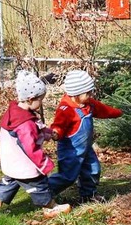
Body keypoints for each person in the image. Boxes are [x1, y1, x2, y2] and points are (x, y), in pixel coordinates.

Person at [0, 70, 71, 219]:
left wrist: (48, 133)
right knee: (39, 186)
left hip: (11, 163)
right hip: (24, 165)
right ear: (30, 99)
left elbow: (33, 130)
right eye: (40, 99)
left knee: (7, 185)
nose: (41, 102)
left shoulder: (15, 113)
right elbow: (30, 146)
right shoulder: (25, 123)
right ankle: (50, 207)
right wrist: (43, 164)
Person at [48, 70, 123, 203]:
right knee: (68, 176)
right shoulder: (66, 109)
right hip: (70, 150)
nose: (90, 95)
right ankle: (44, 192)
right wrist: (56, 133)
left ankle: (88, 195)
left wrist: (117, 113)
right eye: (87, 93)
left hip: (86, 148)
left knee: (93, 169)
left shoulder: (89, 104)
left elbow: (104, 110)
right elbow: (58, 124)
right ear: (75, 94)